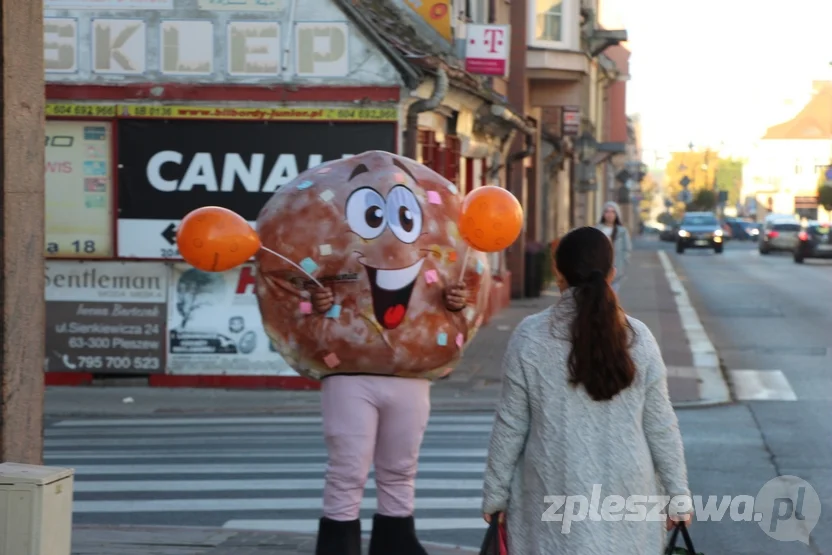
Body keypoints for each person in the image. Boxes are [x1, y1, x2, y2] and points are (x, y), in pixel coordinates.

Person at [481, 226, 692, 554]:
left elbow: (510, 425)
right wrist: (678, 497)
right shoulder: (639, 338)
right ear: (612, 273)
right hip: (628, 497)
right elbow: (661, 425)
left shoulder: (530, 337)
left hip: (552, 489)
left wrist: (495, 495)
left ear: (558, 274)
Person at [596, 201, 631, 293]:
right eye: (607, 211)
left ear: (617, 214)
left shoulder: (622, 231)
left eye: (613, 212)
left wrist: (623, 264)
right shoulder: (597, 230)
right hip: (599, 269)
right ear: (603, 214)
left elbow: (627, 249)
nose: (610, 214)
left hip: (616, 270)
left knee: (611, 296)